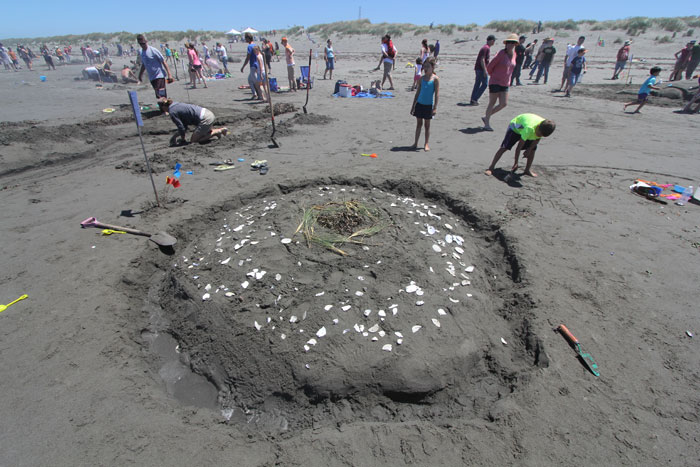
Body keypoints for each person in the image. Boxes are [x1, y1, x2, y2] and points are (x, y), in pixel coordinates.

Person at [485, 114, 556, 177]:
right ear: (538, 127)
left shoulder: (544, 126)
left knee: (533, 149)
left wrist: (529, 149)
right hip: (516, 126)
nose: (539, 136)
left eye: (541, 135)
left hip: (527, 126)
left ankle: (527, 170)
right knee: (504, 147)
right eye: (539, 133)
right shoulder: (529, 128)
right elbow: (518, 148)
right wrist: (516, 163)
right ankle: (491, 168)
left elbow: (537, 139)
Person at [481, 34, 518, 131]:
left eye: (512, 43)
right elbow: (490, 67)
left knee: (503, 103)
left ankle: (486, 117)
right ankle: (487, 124)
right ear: (506, 44)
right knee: (492, 102)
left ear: (515, 44)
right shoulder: (501, 53)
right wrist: (494, 75)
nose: (510, 44)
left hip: (505, 83)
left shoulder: (514, 54)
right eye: (508, 42)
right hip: (495, 81)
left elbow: (511, 68)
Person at [158, 98, 228, 144]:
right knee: (200, 134)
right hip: (207, 113)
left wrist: (182, 139)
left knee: (194, 141)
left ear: (163, 107)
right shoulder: (176, 104)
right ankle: (213, 132)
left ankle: (218, 131)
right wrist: (176, 137)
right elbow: (184, 127)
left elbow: (181, 128)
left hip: (205, 119)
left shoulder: (172, 111)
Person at [410, 57, 439, 151]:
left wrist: (435, 108)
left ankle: (426, 144)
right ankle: (415, 143)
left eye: (428, 66)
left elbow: (437, 94)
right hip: (419, 104)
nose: (425, 68)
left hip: (428, 105)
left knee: (427, 125)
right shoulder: (421, 79)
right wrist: (413, 106)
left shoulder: (435, 79)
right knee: (419, 124)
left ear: (433, 67)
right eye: (424, 66)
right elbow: (417, 93)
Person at [137, 34, 174, 99]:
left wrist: (169, 74)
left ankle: (165, 108)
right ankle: (163, 108)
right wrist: (140, 74)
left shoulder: (153, 50)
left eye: (143, 43)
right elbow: (144, 64)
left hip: (159, 76)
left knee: (161, 95)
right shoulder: (141, 52)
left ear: (146, 41)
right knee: (158, 95)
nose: (142, 45)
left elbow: (163, 61)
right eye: (140, 44)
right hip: (152, 78)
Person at [470, 35, 495, 105]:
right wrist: (485, 70)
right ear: (491, 40)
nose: (494, 42)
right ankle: (474, 99)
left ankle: (473, 99)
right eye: (493, 41)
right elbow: (482, 60)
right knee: (485, 84)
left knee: (477, 84)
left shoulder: (485, 48)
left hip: (478, 68)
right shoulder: (486, 48)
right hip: (481, 69)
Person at [241, 32, 264, 99]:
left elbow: (248, 57)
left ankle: (261, 95)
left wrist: (243, 66)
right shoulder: (255, 45)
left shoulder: (249, 46)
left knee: (256, 82)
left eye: (246, 38)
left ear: (248, 38)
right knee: (250, 80)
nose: (245, 40)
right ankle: (254, 94)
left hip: (253, 65)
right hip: (256, 65)